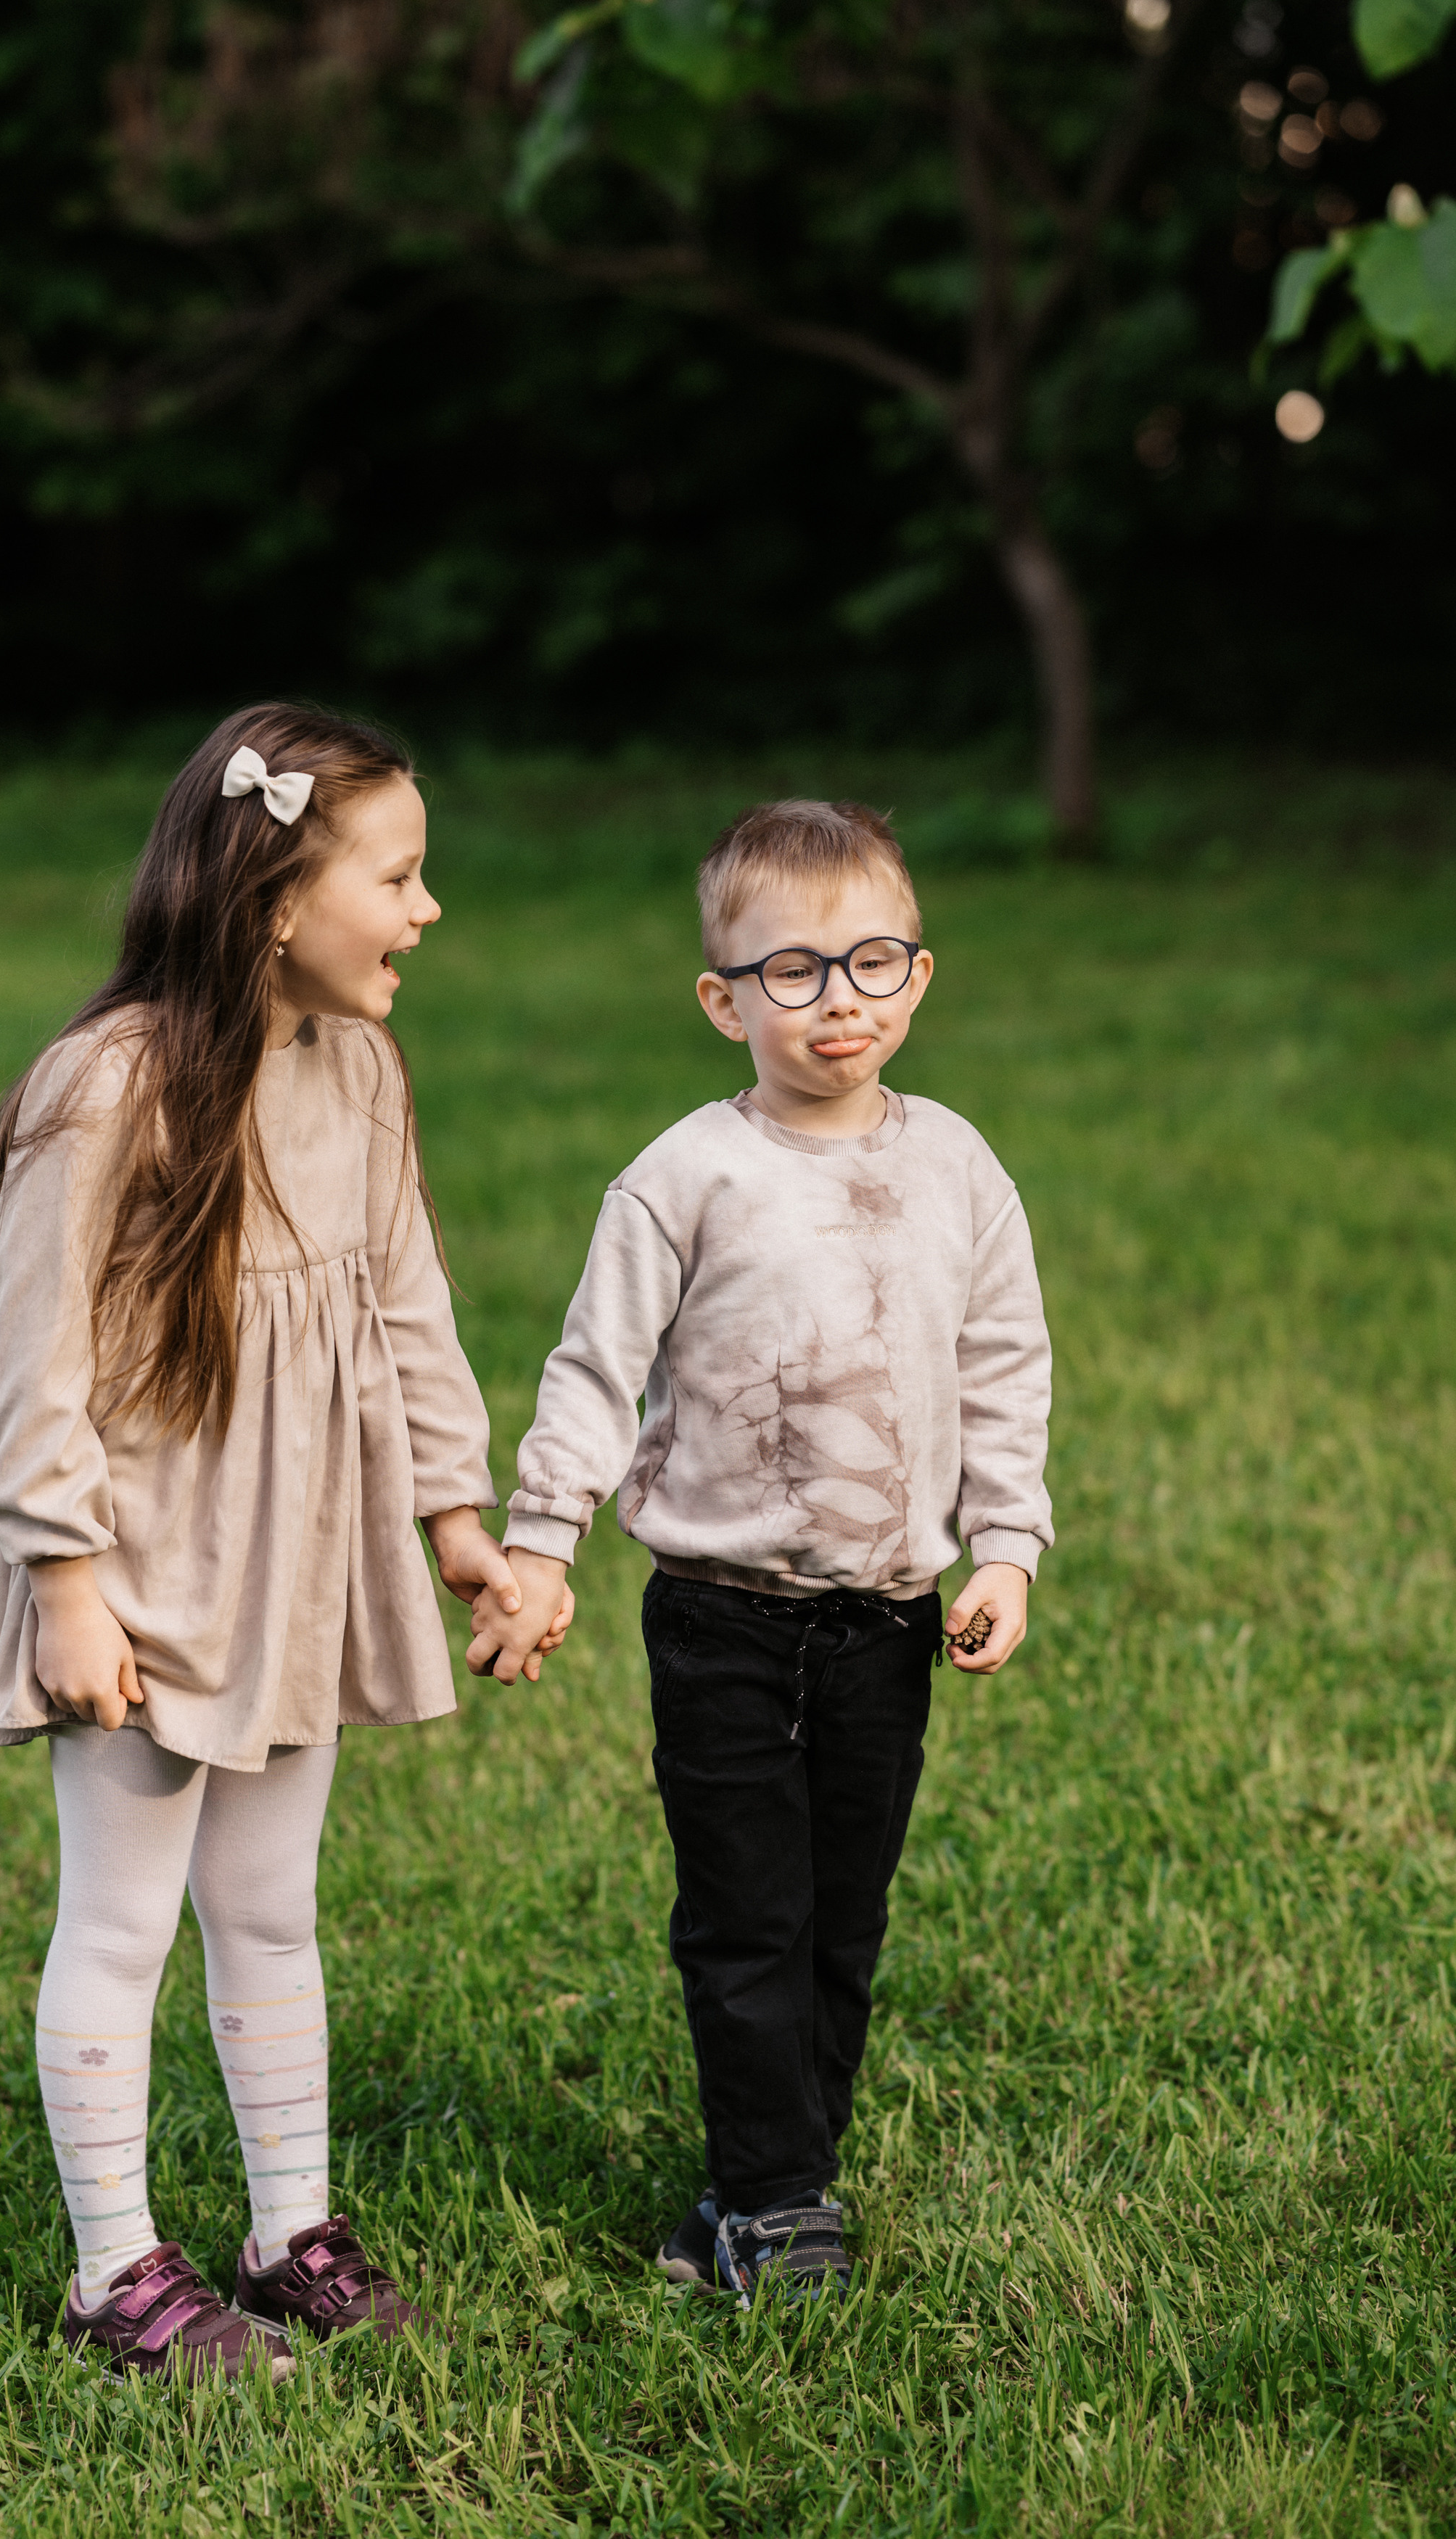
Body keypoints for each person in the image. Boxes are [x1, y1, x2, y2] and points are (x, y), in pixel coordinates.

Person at [0, 704, 567, 2380]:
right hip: (143, 1572)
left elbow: (405, 1308)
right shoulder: (105, 1088)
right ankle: (113, 2276)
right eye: (400, 874)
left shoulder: (359, 1070)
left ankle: (284, 2230)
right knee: (123, 1917)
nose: (428, 909)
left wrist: (460, 1520)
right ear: (273, 897)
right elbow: (37, 1368)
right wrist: (66, 1582)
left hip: (296, 1556)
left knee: (270, 1902)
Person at [467, 799, 1052, 2305]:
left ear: (920, 975)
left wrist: (1005, 1544)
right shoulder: (683, 1178)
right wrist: (541, 1544)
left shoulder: (959, 1167)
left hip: (888, 1616)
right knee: (746, 1914)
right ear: (721, 998)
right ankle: (769, 2197)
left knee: (843, 1913)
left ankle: (786, 2171)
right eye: (790, 970)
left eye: (869, 961)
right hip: (721, 1614)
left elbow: (1004, 1362)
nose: (836, 996)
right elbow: (594, 1374)